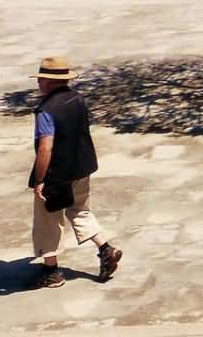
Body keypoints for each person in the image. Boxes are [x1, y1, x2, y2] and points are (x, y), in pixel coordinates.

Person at [28, 55, 122, 289]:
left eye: (42, 80)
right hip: (81, 167)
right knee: (80, 210)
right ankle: (105, 248)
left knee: (47, 221)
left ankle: (51, 271)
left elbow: (45, 148)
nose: (39, 83)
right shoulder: (77, 99)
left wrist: (40, 180)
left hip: (56, 175)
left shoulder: (46, 110)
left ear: (48, 82)